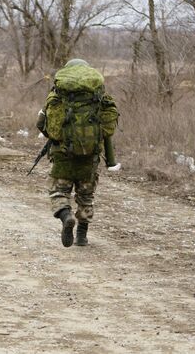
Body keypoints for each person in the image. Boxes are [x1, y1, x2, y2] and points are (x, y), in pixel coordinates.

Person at [36, 58, 119, 247]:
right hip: (90, 157)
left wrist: (54, 137)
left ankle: (66, 216)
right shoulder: (99, 96)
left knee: (59, 191)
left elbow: (41, 123)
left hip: (63, 155)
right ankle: (82, 236)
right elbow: (107, 129)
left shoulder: (58, 94)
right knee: (86, 195)